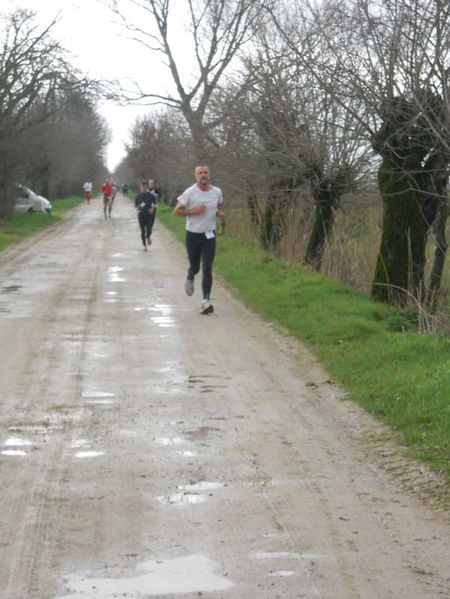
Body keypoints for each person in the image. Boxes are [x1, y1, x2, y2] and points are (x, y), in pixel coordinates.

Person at [174, 165, 225, 315]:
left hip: (209, 235)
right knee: (196, 267)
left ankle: (205, 301)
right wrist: (193, 211)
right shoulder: (190, 193)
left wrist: (220, 213)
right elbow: (176, 211)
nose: (203, 175)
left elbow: (219, 206)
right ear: (195, 175)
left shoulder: (217, 192)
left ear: (209, 174)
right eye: (200, 173)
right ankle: (190, 275)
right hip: (193, 235)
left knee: (208, 266)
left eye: (205, 172)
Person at [135, 180, 157, 251]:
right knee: (142, 231)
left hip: (149, 215)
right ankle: (145, 246)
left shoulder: (151, 195)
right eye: (142, 187)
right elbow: (136, 206)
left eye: (145, 187)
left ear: (147, 187)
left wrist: (152, 209)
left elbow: (155, 204)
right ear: (140, 187)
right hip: (141, 215)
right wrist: (138, 208)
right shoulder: (138, 196)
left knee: (149, 229)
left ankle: (148, 236)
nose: (143, 188)